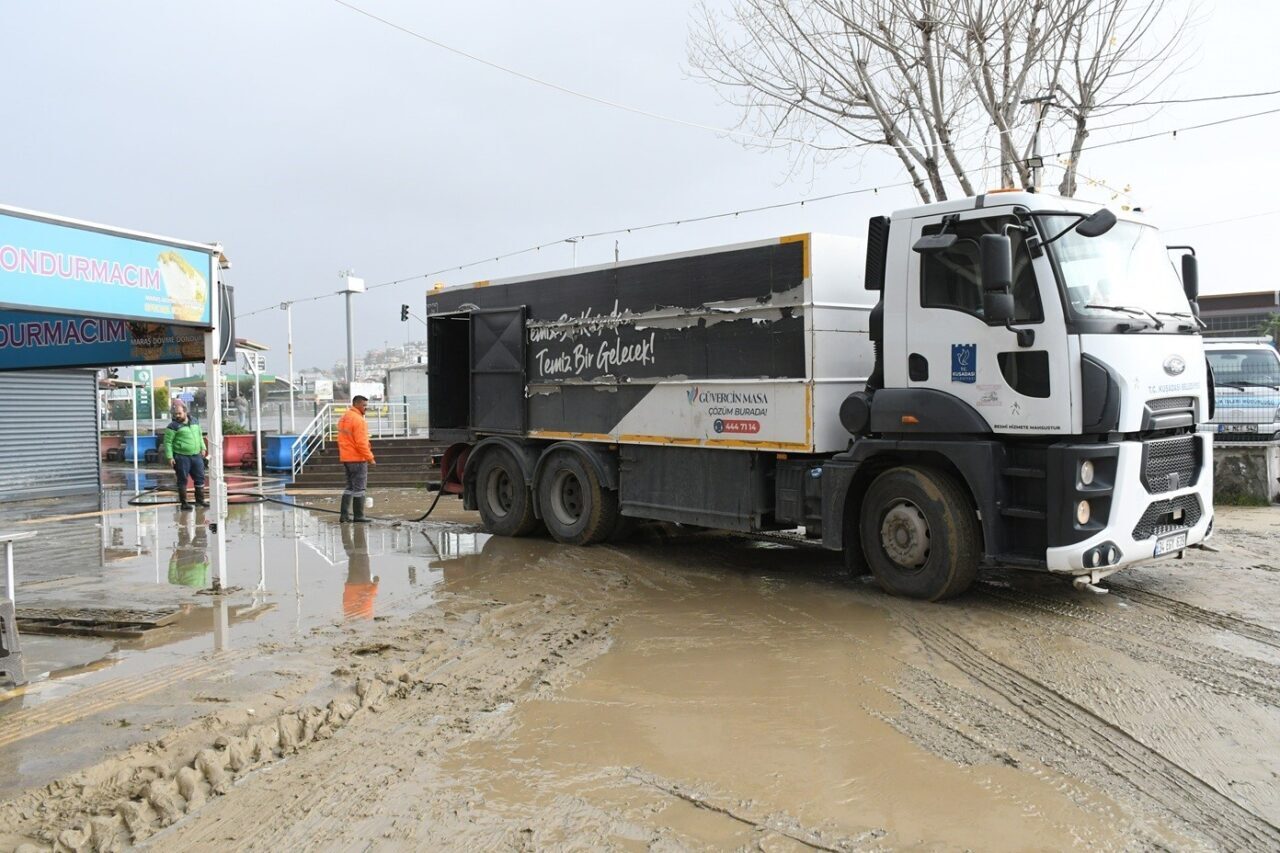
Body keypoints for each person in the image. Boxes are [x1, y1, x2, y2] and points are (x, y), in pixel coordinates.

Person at [163, 400, 209, 511]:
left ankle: (200, 501)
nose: (177, 416)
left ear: (185, 412)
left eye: (179, 413)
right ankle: (184, 503)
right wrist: (170, 457)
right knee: (182, 479)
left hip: (196, 455)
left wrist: (203, 447)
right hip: (181, 457)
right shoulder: (172, 426)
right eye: (175, 414)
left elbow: (199, 435)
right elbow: (168, 443)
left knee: (200, 478)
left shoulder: (195, 421)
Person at [337, 395, 376, 522]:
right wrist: (370, 458)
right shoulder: (359, 420)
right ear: (357, 404)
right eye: (364, 405)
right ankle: (359, 516)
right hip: (357, 459)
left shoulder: (344, 417)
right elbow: (361, 443)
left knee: (349, 487)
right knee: (359, 488)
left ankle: (344, 515)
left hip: (346, 458)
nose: (366, 408)